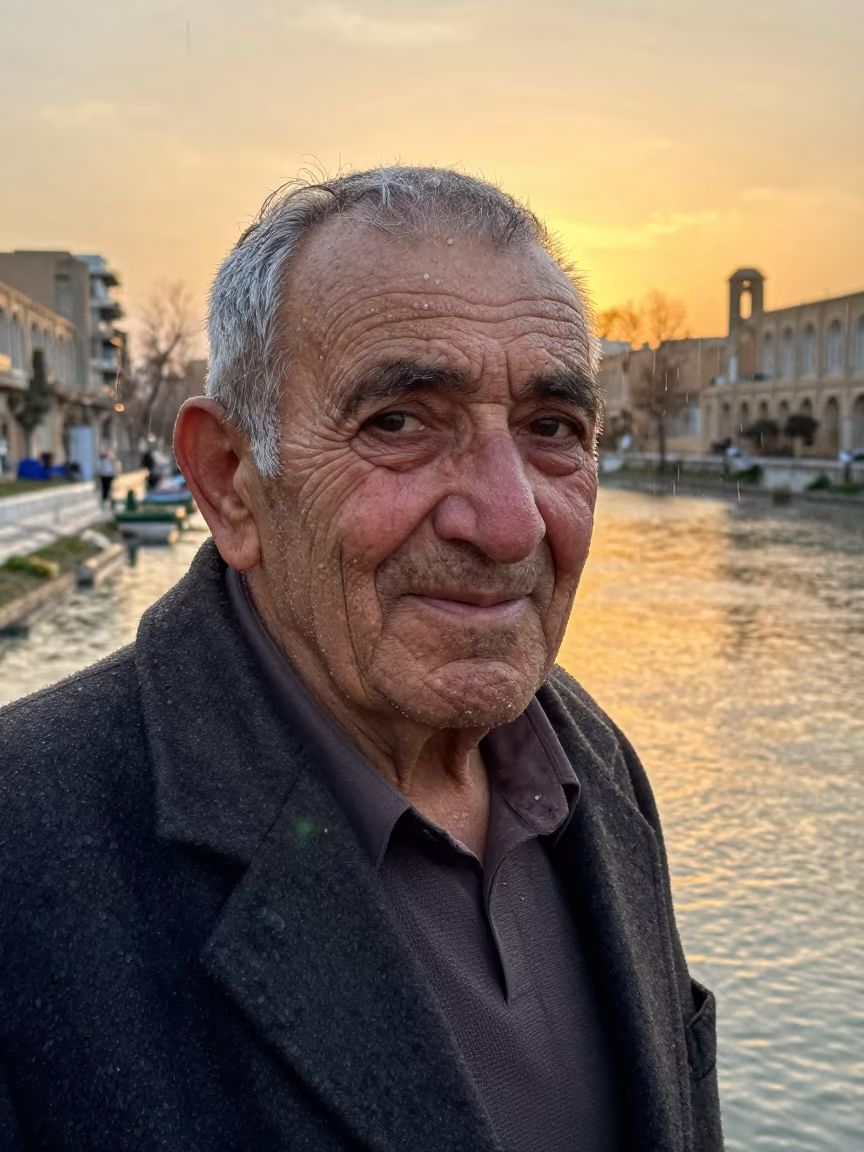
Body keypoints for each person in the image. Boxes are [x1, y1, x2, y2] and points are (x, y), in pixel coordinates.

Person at [0, 169, 722, 1151]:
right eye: (400, 423)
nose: (510, 524)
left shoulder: (597, 765)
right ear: (230, 482)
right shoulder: (25, 845)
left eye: (553, 430)